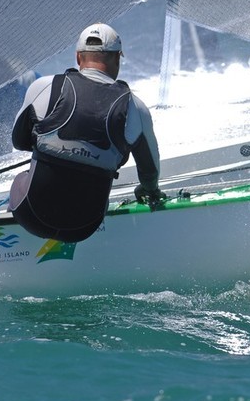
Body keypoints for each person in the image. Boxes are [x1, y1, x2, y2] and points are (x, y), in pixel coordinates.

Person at [9, 23, 166, 242]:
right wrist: (149, 189)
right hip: (84, 227)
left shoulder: (44, 87)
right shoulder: (136, 108)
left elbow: (19, 141)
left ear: (78, 57)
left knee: (22, 177)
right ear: (118, 58)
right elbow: (149, 172)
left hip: (29, 215)